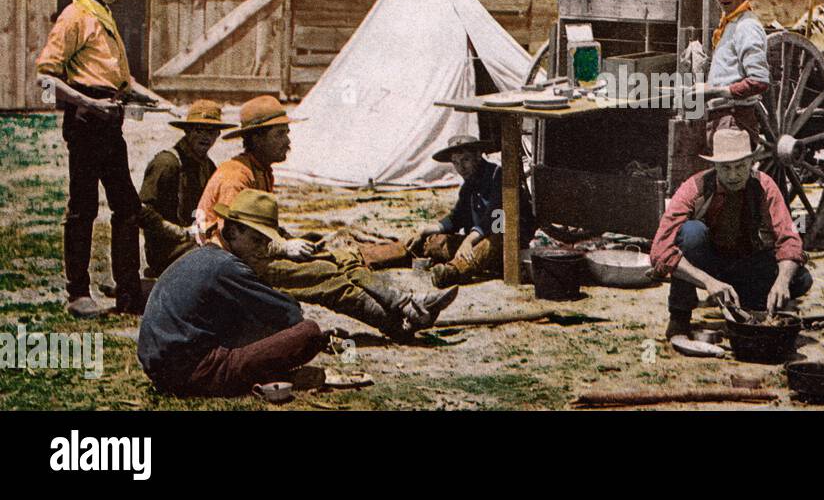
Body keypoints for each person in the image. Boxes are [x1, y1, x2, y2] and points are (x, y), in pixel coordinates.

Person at [196, 95, 457, 340]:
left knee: (342, 256)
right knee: (326, 274)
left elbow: (260, 227)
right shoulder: (236, 177)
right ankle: (398, 322)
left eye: (287, 133)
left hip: (255, 252)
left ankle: (405, 303)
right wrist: (284, 247)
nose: (288, 141)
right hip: (232, 265)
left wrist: (291, 240)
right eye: (280, 134)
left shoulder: (261, 170)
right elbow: (231, 237)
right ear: (257, 139)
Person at [34, 0, 152, 317]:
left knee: (127, 207)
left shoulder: (105, 18)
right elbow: (44, 79)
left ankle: (129, 292)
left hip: (109, 118)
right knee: (83, 208)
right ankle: (78, 295)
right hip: (86, 119)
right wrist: (89, 102)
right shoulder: (75, 16)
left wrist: (161, 102)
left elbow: (123, 81)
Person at [136, 190, 332, 397]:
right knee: (308, 332)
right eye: (256, 240)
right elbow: (290, 315)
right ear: (231, 232)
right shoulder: (227, 267)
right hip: (192, 373)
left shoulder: (201, 255)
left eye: (266, 242)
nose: (262, 249)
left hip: (161, 368)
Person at [649, 129, 812, 339]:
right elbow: (659, 251)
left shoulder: (765, 186)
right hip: (707, 264)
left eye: (740, 166)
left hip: (744, 264)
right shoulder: (694, 188)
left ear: (752, 162)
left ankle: (748, 309)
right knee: (691, 233)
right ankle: (679, 319)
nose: (733, 175)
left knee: (800, 278)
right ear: (714, 165)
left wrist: (781, 281)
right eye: (726, 168)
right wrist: (708, 281)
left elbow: (789, 239)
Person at [405, 135, 535, 288]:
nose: (461, 168)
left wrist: (468, 241)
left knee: (493, 240)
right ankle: (381, 256)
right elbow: (456, 219)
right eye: (456, 162)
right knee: (433, 242)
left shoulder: (498, 176)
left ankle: (451, 272)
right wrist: (424, 231)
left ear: (478, 156)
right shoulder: (468, 186)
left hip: (508, 246)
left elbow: (494, 218)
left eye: (465, 160)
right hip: (477, 241)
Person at [137, 99, 234, 280]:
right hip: (167, 250)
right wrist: (180, 232)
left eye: (211, 131)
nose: (205, 137)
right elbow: (141, 211)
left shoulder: (208, 166)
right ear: (187, 131)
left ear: (218, 134)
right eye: (199, 130)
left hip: (196, 242)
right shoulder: (167, 163)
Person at [695, 0, 771, 150]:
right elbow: (730, 73)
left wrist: (716, 91)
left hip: (735, 117)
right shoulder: (730, 24)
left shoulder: (747, 26)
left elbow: (759, 81)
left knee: (733, 175)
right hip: (721, 116)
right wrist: (708, 86)